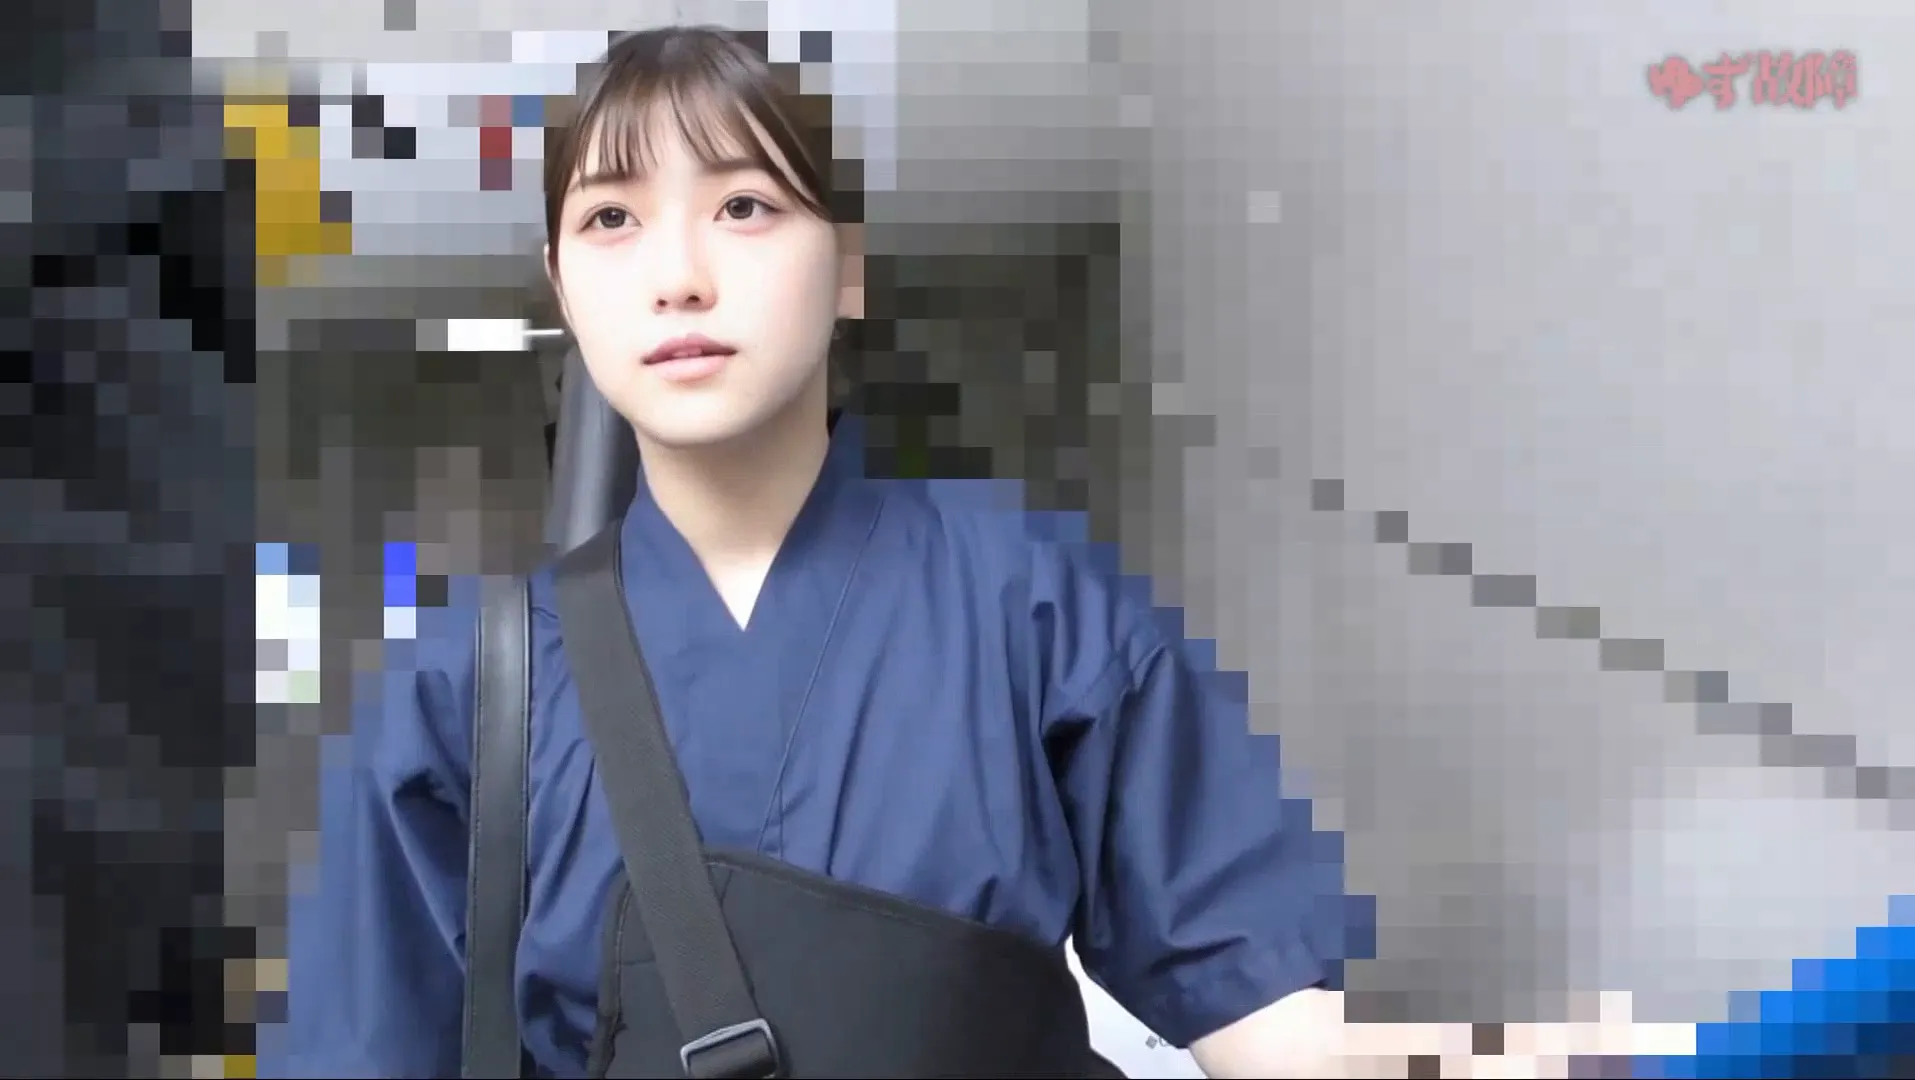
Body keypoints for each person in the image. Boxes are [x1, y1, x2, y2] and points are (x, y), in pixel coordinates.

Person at [280, 25, 1690, 1079]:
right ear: (562, 286)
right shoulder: (470, 689)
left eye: (746, 206)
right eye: (611, 221)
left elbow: (1276, 1031)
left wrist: (1574, 1055)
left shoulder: (1033, 607)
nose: (679, 274)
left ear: (847, 267)